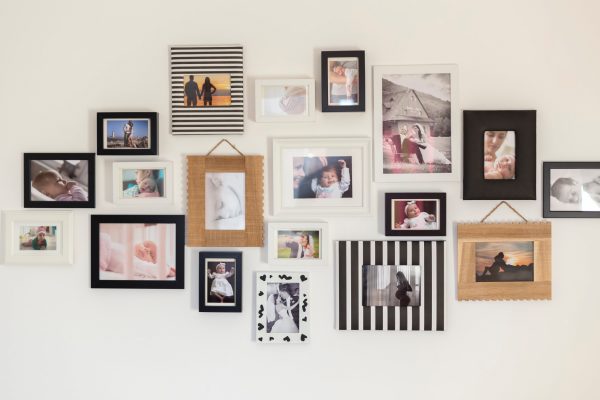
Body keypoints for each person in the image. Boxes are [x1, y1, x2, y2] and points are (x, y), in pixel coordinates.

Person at [99, 234, 176, 279]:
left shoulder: (134, 262)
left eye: (151, 255)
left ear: (150, 263)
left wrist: (168, 270)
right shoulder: (125, 249)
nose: (147, 250)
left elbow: (152, 269)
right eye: (146, 245)